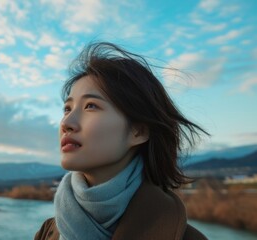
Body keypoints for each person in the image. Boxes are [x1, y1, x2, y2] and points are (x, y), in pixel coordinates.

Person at [34, 42, 209, 240]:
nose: (67, 122)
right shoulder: (47, 232)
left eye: (90, 106)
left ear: (138, 131)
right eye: (67, 108)